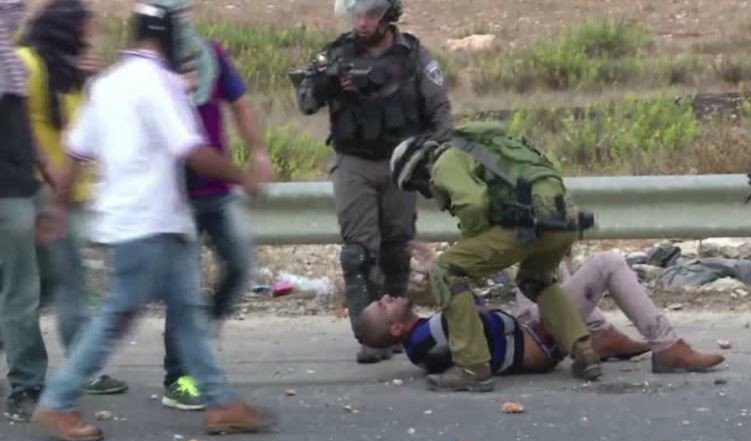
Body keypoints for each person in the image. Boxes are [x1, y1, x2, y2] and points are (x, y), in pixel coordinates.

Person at [32, 2, 276, 441]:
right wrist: (244, 178)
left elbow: (75, 152)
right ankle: (58, 401)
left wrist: (59, 208)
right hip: (149, 222)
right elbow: (192, 150)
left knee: (188, 310)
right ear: (168, 37)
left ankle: (220, 402)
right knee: (116, 316)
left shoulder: (107, 84)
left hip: (146, 220)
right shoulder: (161, 82)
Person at [388, 121, 603, 392]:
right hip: (563, 219)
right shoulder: (483, 147)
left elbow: (473, 203)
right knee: (535, 280)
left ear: (419, 167)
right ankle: (585, 352)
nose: (425, 191)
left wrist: (473, 245)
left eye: (417, 184)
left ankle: (472, 367)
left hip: (525, 226)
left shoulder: (444, 162)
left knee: (446, 270)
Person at [294, 0, 453, 364]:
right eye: (358, 14)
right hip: (354, 161)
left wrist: (433, 155)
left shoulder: (413, 55)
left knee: (397, 247)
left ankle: (396, 328)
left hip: (401, 161)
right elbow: (305, 100)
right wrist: (327, 84)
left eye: (370, 15)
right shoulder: (337, 53)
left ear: (388, 17)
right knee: (358, 253)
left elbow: (440, 109)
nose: (362, 22)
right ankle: (369, 334)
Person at [151, 0, 275, 412]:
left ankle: (201, 340)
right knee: (183, 288)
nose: (184, 20)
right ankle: (179, 377)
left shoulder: (211, 55)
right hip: (175, 194)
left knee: (239, 264)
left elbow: (240, 104)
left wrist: (258, 151)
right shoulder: (150, 69)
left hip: (217, 189)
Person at [358, 244, 725, 378]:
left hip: (525, 327)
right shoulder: (426, 339)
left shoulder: (424, 338)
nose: (388, 297)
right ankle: (667, 347)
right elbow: (467, 305)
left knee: (539, 257)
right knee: (608, 262)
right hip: (540, 337)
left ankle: (599, 335)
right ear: (395, 329)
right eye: (383, 305)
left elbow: (471, 310)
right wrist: (436, 269)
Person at [18, 0, 129, 396]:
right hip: (39, 193)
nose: (91, 36)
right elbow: (18, 127)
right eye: (85, 28)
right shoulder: (27, 64)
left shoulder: (69, 71)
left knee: (45, 287)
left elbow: (89, 129)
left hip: (67, 193)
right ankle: (84, 368)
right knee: (69, 283)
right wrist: (50, 177)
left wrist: (92, 81)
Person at [0, 0, 52, 422]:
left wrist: (48, 169)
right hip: (6, 195)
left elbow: (23, 123)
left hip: (26, 186)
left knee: (51, 273)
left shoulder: (11, 64)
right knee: (21, 289)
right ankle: (27, 385)